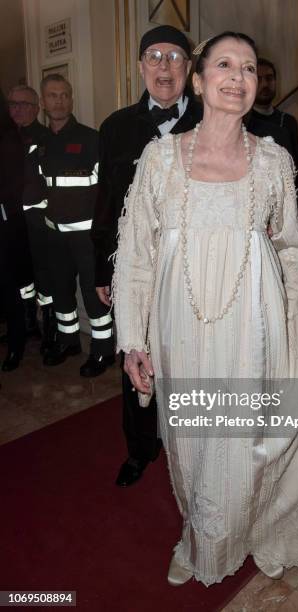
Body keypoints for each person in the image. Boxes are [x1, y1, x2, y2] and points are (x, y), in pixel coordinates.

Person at [113, 31, 298, 587]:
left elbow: (290, 246)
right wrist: (133, 338)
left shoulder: (272, 161)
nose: (237, 77)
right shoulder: (160, 158)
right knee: (195, 441)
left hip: (257, 321)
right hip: (180, 325)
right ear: (199, 80)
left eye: (247, 68)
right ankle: (203, 540)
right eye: (224, 64)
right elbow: (135, 255)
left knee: (250, 440)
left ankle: (259, 532)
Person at [91, 25, 202, 487]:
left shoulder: (209, 120)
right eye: (153, 56)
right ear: (140, 67)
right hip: (135, 268)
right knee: (137, 357)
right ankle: (140, 449)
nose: (164, 66)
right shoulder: (116, 127)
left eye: (174, 57)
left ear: (188, 68)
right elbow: (106, 203)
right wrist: (104, 268)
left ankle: (194, 446)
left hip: (194, 268)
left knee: (193, 359)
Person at [39, 74, 115, 376]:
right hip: (53, 235)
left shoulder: (90, 139)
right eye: (52, 95)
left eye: (64, 95)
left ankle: (103, 350)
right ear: (44, 102)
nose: (59, 100)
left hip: (87, 238)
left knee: (93, 295)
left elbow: (107, 191)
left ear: (71, 99)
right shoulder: (40, 143)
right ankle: (68, 340)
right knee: (61, 291)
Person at [8, 85, 55, 353]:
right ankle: (28, 323)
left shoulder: (45, 138)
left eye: (24, 104)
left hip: (38, 220)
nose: (17, 109)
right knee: (20, 273)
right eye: (13, 104)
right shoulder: (6, 138)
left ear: (36, 108)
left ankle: (48, 326)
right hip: (12, 221)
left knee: (44, 275)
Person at [0, 90, 31, 371]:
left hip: (6, 225)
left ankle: (16, 344)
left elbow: (12, 187)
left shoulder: (9, 138)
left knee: (9, 287)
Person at [248, 58, 298, 171]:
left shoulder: (288, 121)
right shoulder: (244, 121)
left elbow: (295, 166)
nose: (265, 84)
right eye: (259, 79)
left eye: (269, 78)